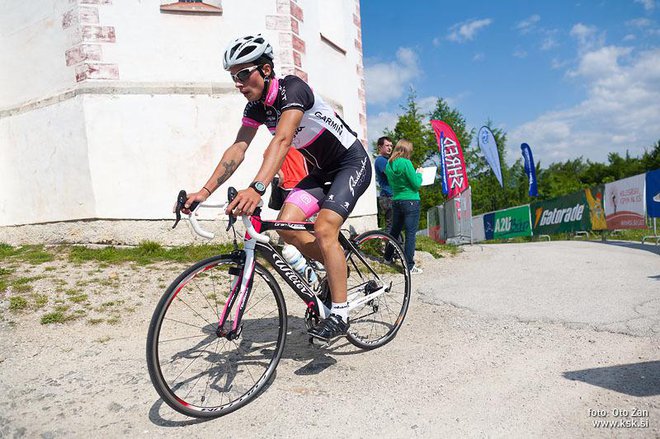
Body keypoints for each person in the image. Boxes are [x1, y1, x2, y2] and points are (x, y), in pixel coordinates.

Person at [182, 34, 372, 340]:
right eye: (234, 77)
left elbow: (282, 141)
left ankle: (340, 314)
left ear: (266, 69)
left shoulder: (292, 89)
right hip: (321, 172)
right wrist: (203, 193)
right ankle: (337, 261)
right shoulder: (257, 108)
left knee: (324, 229)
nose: (239, 83)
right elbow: (237, 149)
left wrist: (257, 188)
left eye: (244, 74)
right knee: (286, 227)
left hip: (351, 163)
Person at [384, 139, 423, 274]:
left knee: (395, 231)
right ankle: (409, 266)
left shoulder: (389, 164)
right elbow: (416, 184)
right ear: (407, 150)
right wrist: (419, 174)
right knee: (410, 234)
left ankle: (387, 257)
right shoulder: (406, 163)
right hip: (411, 201)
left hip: (396, 200)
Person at [374, 136, 393, 232]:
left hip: (389, 196)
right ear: (380, 147)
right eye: (387, 145)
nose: (389, 148)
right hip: (388, 197)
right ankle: (390, 246)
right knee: (391, 225)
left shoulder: (387, 160)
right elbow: (390, 174)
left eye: (391, 145)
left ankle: (397, 245)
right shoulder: (381, 160)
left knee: (394, 225)